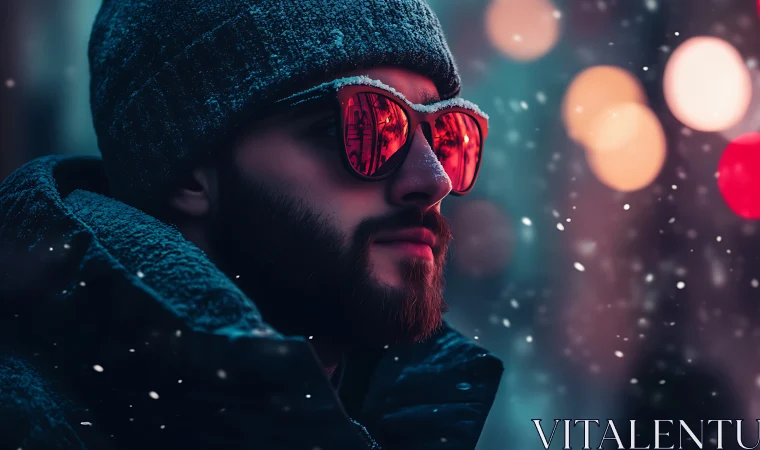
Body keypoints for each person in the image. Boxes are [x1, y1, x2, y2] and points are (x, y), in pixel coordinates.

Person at [0, 1, 502, 449]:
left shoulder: (396, 413)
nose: (433, 180)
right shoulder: (29, 424)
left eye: (445, 133)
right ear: (192, 173)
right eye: (367, 126)